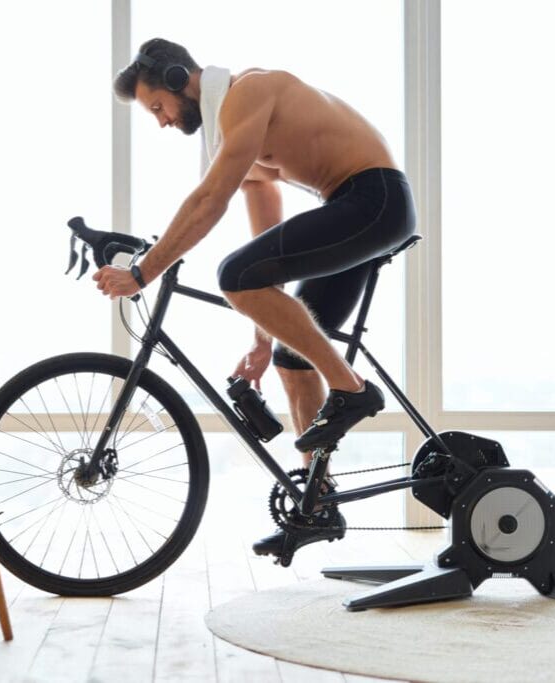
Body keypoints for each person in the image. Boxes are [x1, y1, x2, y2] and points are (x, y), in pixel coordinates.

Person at [95, 38, 416, 556]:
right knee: (292, 360)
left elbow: (209, 199)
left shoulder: (249, 92)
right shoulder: (237, 131)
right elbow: (264, 245)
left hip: (373, 199)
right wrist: (263, 342)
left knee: (231, 275)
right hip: (358, 206)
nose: (161, 121)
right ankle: (317, 504)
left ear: (179, 79)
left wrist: (144, 272)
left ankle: (352, 391)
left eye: (158, 107)